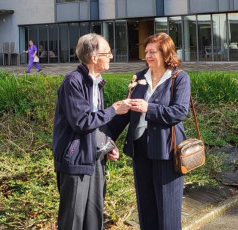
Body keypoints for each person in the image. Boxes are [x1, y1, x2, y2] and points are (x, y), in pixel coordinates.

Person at [108, 32, 191, 230]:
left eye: (153, 52)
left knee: (167, 209)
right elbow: (126, 113)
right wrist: (107, 137)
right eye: (146, 52)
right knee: (145, 207)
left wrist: (149, 108)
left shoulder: (178, 78)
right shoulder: (138, 77)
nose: (148, 56)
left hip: (166, 150)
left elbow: (179, 112)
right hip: (140, 148)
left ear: (166, 53)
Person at [52, 33, 130, 230]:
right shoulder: (73, 82)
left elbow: (96, 123)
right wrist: (113, 110)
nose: (111, 57)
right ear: (95, 58)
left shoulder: (97, 82)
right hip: (76, 162)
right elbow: (82, 122)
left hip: (95, 160)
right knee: (73, 222)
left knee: (94, 221)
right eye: (108, 53)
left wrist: (108, 145)